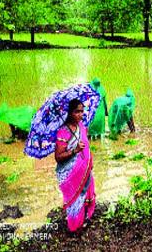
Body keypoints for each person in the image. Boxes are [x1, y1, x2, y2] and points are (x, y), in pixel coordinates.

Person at [55, 99, 95, 233]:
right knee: (74, 199)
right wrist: (74, 151)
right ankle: (74, 226)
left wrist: (90, 161)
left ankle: (83, 220)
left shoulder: (82, 126)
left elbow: (87, 146)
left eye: (82, 111)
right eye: (77, 111)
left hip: (84, 168)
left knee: (83, 195)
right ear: (70, 113)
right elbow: (58, 157)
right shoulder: (63, 132)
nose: (80, 114)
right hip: (70, 172)